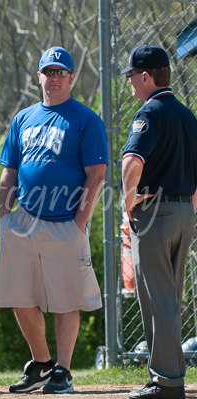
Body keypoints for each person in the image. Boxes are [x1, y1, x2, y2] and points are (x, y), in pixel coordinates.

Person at [0, 46, 107, 394]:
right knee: (19, 295)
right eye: (48, 71)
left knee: (66, 299)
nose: (54, 77)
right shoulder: (23, 118)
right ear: (39, 76)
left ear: (72, 77)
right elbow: (9, 171)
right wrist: (4, 215)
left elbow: (96, 174)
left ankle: (63, 370)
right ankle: (41, 363)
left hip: (65, 221)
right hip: (23, 220)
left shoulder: (85, 120)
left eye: (61, 72)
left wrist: (79, 221)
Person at [121, 44, 197, 399]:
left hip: (155, 214)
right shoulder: (186, 115)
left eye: (133, 76)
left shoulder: (149, 112)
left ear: (147, 76)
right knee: (170, 297)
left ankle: (166, 382)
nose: (131, 84)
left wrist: (129, 198)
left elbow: (132, 160)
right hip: (184, 212)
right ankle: (167, 376)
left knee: (157, 299)